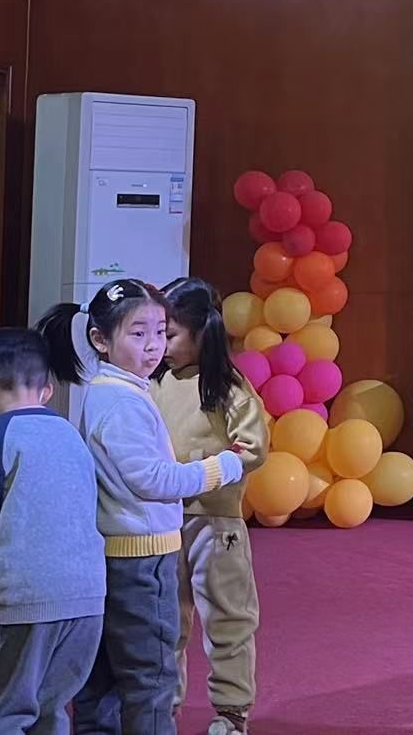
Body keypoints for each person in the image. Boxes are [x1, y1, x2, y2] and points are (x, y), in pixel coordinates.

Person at [41, 279, 249, 735]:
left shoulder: (116, 389)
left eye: (160, 331)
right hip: (139, 557)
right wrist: (223, 466)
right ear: (100, 339)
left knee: (105, 680)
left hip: (119, 552)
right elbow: (153, 479)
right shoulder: (122, 401)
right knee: (149, 678)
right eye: (139, 334)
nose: (154, 345)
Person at [0, 328, 104, 734]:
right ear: (47, 390)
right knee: (49, 715)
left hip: (19, 605)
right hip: (86, 603)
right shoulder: (72, 436)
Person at [157, 277, 269, 735]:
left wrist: (202, 470)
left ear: (202, 332)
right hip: (162, 523)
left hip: (216, 524)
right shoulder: (158, 382)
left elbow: (253, 447)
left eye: (169, 334)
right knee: (165, 621)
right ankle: (162, 707)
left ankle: (231, 711)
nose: (160, 345)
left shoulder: (228, 386)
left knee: (227, 617)